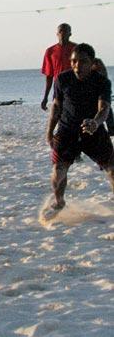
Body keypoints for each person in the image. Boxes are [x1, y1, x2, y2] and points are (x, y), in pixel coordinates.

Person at [44, 43, 114, 218]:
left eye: (83, 62)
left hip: (93, 131)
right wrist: (49, 131)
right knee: (58, 172)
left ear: (92, 63)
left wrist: (96, 123)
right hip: (67, 130)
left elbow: (104, 108)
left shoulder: (102, 82)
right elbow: (56, 106)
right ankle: (59, 201)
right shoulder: (62, 79)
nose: (77, 65)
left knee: (112, 168)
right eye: (74, 61)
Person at [41, 23, 76, 111]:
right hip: (59, 87)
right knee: (58, 114)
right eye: (60, 31)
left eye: (66, 31)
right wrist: (45, 97)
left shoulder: (76, 49)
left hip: (75, 86)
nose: (63, 33)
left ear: (70, 34)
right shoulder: (50, 51)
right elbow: (49, 75)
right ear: (57, 34)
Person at [92, 58, 114, 135]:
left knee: (106, 110)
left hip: (100, 91)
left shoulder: (97, 64)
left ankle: (111, 129)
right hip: (98, 91)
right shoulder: (96, 65)